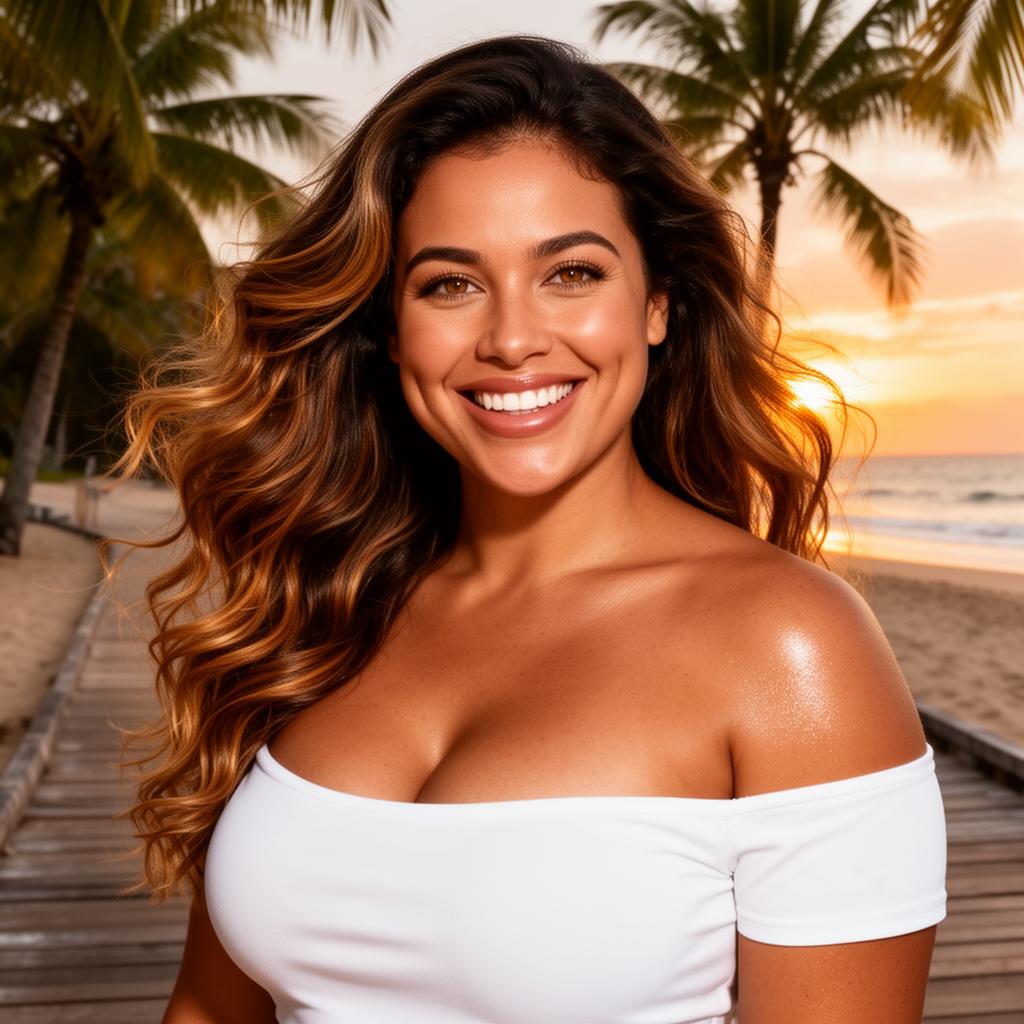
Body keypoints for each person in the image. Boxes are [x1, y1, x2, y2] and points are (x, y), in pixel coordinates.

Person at [110, 35, 947, 1024]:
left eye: (571, 273)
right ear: (390, 327)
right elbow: (210, 1009)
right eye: (449, 284)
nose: (510, 338)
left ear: (658, 303)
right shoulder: (327, 599)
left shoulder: (789, 648)